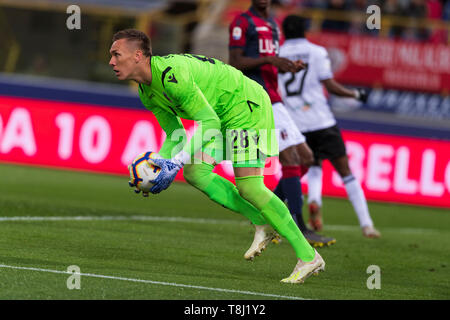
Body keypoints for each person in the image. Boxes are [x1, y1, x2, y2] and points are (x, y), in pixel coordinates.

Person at [109, 29, 325, 283]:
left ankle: (308, 256)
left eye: (116, 54)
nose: (111, 62)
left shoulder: (171, 75)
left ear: (137, 56)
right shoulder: (147, 92)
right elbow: (174, 133)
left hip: (244, 106)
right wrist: (158, 165)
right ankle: (260, 221)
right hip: (223, 115)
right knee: (195, 172)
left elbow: (208, 122)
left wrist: (174, 163)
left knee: (250, 187)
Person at [228, 0, 336, 247]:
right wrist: (270, 60)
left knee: (306, 157)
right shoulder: (242, 22)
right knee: (291, 159)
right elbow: (236, 62)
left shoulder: (274, 25)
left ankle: (267, 215)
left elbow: (270, 64)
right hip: (258, 97)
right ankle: (297, 225)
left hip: (275, 96)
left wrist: (287, 67)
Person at [278, 15, 381, 238]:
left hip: (295, 124)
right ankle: (367, 224)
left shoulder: (277, 55)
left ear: (284, 31)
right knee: (345, 172)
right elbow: (331, 86)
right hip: (321, 121)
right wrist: (355, 93)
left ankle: (310, 201)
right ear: (305, 29)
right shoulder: (317, 52)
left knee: (303, 167)